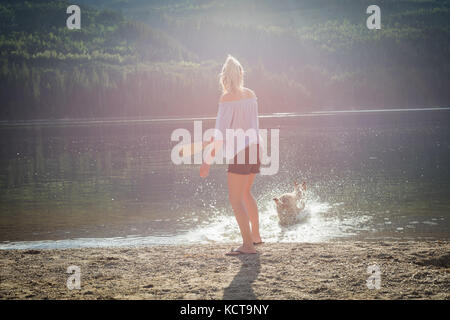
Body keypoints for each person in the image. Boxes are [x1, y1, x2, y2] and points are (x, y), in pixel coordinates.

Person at [200, 55, 263, 256]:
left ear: (225, 77)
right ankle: (256, 237)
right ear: (241, 74)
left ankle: (247, 246)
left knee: (235, 199)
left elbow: (219, 134)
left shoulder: (227, 98)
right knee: (246, 193)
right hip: (256, 147)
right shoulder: (251, 94)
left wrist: (206, 162)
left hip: (240, 151)